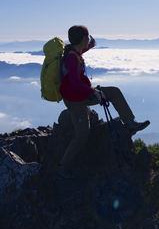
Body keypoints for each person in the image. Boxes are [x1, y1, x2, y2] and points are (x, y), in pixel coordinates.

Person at [57, 25, 150, 179]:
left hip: (82, 94)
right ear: (82, 39)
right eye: (87, 37)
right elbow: (75, 84)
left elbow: (83, 51)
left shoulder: (75, 51)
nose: (88, 39)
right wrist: (94, 92)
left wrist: (92, 44)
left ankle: (130, 123)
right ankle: (63, 167)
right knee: (82, 134)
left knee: (114, 92)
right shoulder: (72, 57)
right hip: (74, 99)